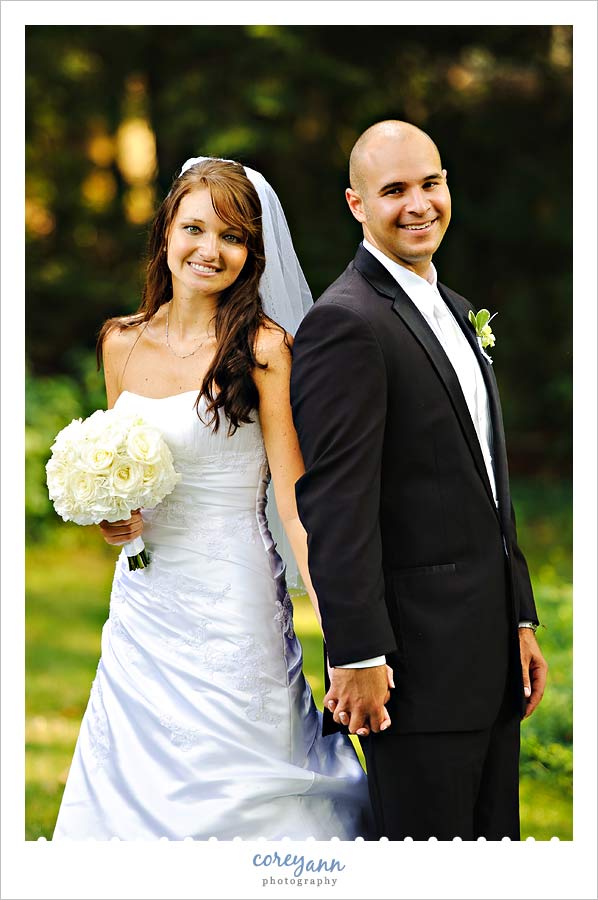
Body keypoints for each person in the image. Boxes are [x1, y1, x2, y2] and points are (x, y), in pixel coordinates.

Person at [52, 157, 373, 841]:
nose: (210, 250)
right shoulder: (119, 341)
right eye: (195, 228)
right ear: (166, 230)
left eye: (232, 237)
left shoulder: (264, 349)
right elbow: (122, 480)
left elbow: (296, 504)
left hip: (236, 600)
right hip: (144, 605)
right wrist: (114, 519)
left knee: (247, 778)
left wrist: (347, 632)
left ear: (252, 255)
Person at [290, 120, 549, 841]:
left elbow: (488, 486)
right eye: (394, 190)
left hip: (489, 654)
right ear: (355, 204)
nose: (418, 204)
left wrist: (519, 618)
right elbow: (337, 505)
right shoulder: (345, 323)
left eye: (429, 184)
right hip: (415, 670)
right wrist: (359, 652)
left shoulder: (461, 311)